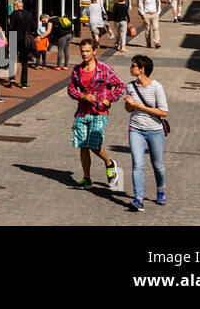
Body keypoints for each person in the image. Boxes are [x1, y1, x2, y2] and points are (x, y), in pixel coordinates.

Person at [67, 38, 126, 190]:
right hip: (82, 112)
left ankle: (109, 162)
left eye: (87, 51)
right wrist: (82, 96)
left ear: (94, 51)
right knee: (83, 145)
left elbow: (120, 85)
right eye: (82, 51)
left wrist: (109, 99)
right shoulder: (77, 70)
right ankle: (87, 178)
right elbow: (71, 89)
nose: (84, 54)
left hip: (99, 111)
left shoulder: (104, 69)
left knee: (94, 144)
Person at [124, 54, 169, 211]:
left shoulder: (156, 87)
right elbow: (128, 110)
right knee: (137, 164)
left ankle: (161, 191)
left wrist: (140, 106)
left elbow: (163, 112)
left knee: (157, 165)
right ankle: (138, 198)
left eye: (133, 66)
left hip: (155, 130)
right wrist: (129, 104)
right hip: (135, 129)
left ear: (142, 69)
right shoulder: (130, 86)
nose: (131, 68)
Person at [9, 0, 37, 88]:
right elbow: (34, 27)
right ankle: (24, 83)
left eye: (14, 6)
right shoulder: (29, 14)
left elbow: (11, 27)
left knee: (12, 59)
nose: (13, 8)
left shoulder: (14, 14)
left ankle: (12, 77)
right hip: (25, 40)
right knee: (24, 62)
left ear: (17, 6)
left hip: (15, 38)